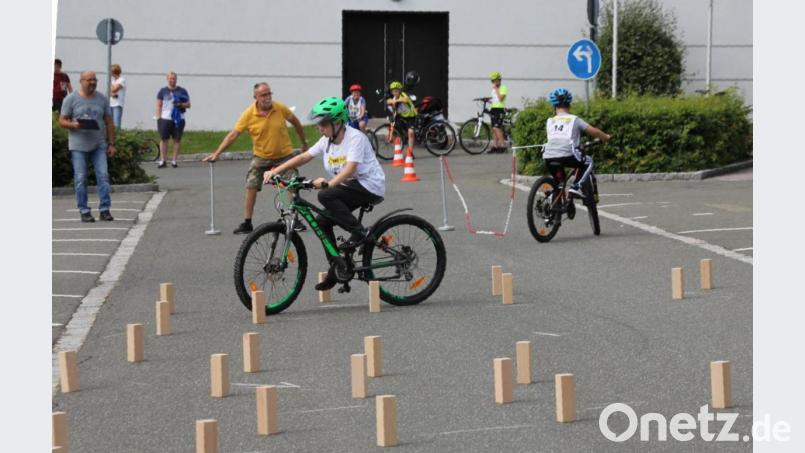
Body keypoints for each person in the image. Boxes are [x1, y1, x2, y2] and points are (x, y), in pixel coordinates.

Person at [262, 97, 385, 290]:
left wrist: (328, 184)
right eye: (319, 124)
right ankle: (337, 268)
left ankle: (360, 232)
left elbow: (351, 169)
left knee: (326, 196)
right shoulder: (326, 141)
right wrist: (275, 171)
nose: (320, 128)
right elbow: (304, 156)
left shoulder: (355, 138)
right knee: (322, 222)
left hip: (369, 186)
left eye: (323, 124)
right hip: (349, 187)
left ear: (337, 123)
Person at [202, 82, 309, 234]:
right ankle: (247, 222)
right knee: (251, 184)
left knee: (292, 184)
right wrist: (217, 153)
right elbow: (234, 134)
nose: (267, 98)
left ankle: (295, 220)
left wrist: (304, 142)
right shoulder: (248, 114)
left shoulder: (280, 108)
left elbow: (296, 122)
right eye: (263, 95)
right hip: (261, 157)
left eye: (269, 94)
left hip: (284, 156)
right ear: (256, 97)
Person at [58, 70, 116, 222]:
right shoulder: (71, 99)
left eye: (94, 80)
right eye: (89, 80)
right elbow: (62, 120)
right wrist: (74, 125)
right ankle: (84, 211)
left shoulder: (102, 99)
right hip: (78, 145)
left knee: (103, 176)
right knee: (80, 178)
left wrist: (111, 144)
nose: (92, 82)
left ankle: (104, 210)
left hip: (99, 145)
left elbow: (109, 122)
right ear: (81, 81)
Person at [542, 88, 611, 198]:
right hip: (568, 154)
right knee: (588, 162)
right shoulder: (574, 119)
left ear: (554, 106)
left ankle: (552, 199)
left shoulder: (550, 121)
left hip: (548, 155)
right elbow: (594, 131)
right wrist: (606, 137)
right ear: (569, 105)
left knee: (559, 182)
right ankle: (576, 187)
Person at [155, 72, 191, 168]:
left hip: (179, 118)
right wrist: (158, 118)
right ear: (167, 79)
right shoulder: (162, 91)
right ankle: (163, 160)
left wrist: (181, 105)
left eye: (174, 78)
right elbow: (158, 105)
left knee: (177, 139)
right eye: (170, 78)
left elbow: (188, 104)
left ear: (176, 79)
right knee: (163, 139)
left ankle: (174, 161)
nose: (172, 80)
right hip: (165, 118)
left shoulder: (182, 91)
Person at [385, 81, 416, 150]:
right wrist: (392, 101)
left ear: (400, 91)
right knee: (392, 129)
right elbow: (388, 101)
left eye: (397, 91)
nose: (395, 93)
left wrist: (397, 100)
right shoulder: (393, 97)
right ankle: (398, 148)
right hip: (401, 116)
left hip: (410, 116)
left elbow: (405, 100)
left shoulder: (403, 94)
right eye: (393, 91)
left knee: (410, 132)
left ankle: (410, 152)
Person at [488, 71, 508, 153]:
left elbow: (501, 99)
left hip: (500, 109)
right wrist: (487, 100)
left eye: (495, 80)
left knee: (497, 127)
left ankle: (503, 146)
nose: (493, 82)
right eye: (492, 81)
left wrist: (496, 89)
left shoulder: (503, 87)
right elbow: (494, 100)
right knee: (494, 128)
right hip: (493, 108)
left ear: (499, 80)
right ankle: (495, 146)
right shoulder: (493, 89)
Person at [109, 64, 126, 129]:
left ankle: (118, 137)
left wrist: (111, 85)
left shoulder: (121, 80)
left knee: (116, 123)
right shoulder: (113, 80)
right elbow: (109, 92)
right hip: (111, 103)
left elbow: (114, 89)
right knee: (110, 123)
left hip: (117, 104)